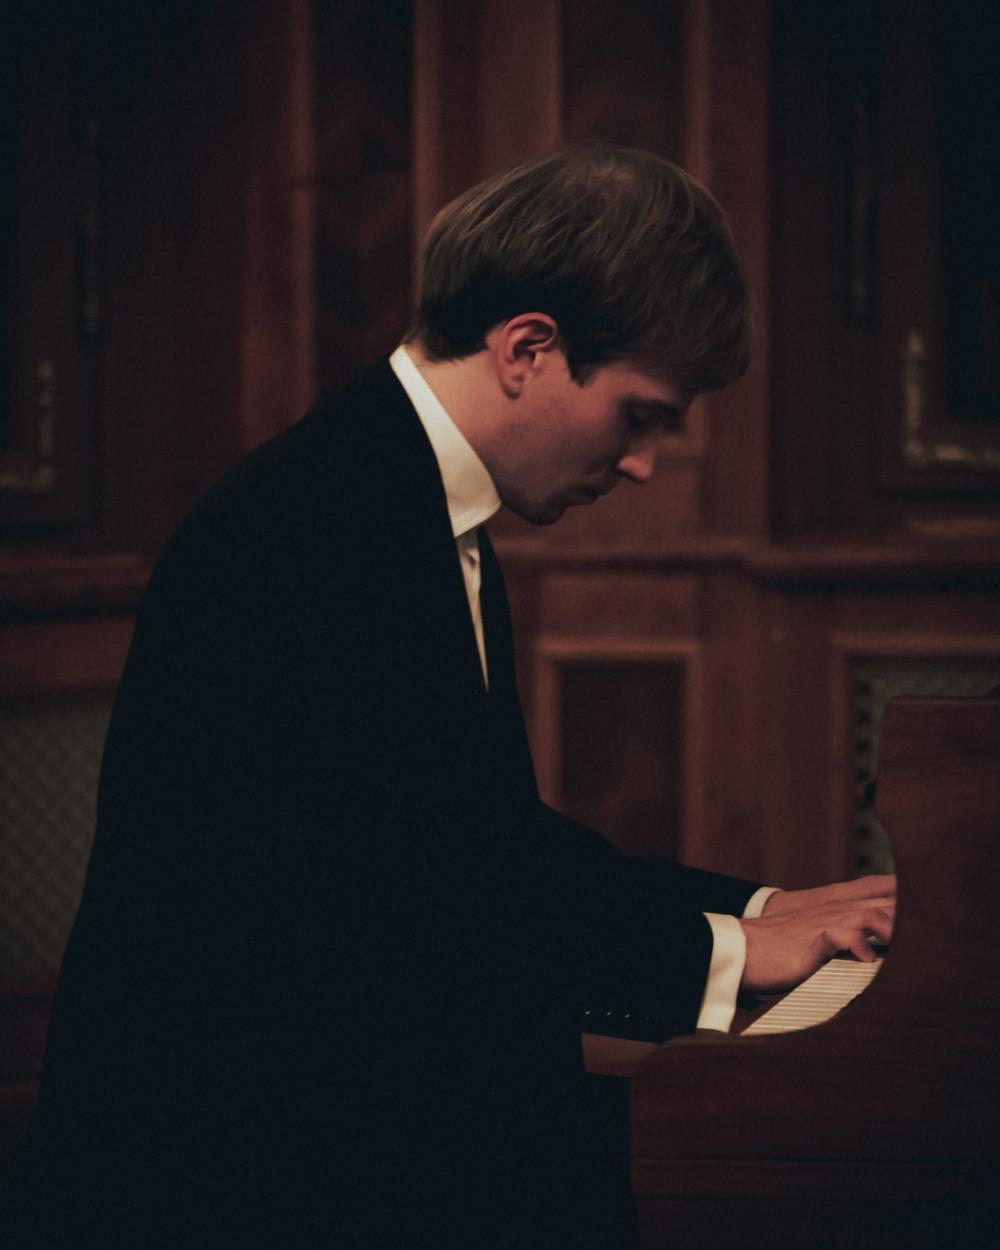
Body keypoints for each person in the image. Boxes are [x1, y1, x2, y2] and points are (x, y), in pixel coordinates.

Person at [7, 146, 893, 1249]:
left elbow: (468, 834)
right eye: (639, 416)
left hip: (314, 1111)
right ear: (528, 348)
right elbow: (415, 898)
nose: (644, 465)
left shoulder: (397, 493)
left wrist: (760, 908)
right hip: (217, 1167)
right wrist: (724, 953)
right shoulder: (316, 526)